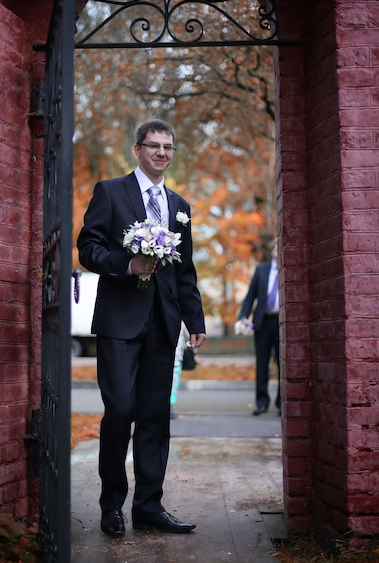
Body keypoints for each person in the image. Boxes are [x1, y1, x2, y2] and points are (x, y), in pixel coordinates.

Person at [77, 119, 206, 538]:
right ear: (138, 149)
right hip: (119, 321)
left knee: (155, 416)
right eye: (154, 146)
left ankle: (149, 506)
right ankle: (111, 505)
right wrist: (126, 264)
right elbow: (88, 248)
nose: (162, 153)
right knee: (121, 411)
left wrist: (195, 320)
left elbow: (185, 269)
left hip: (164, 323)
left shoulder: (181, 205)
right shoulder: (110, 192)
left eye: (169, 147)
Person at [236, 238, 281, 416]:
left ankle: (281, 404)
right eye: (277, 245)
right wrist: (242, 317)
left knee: (282, 364)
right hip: (262, 323)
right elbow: (250, 297)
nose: (279, 248)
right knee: (262, 364)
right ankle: (261, 402)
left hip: (282, 323)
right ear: (272, 250)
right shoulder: (261, 270)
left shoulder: (290, 269)